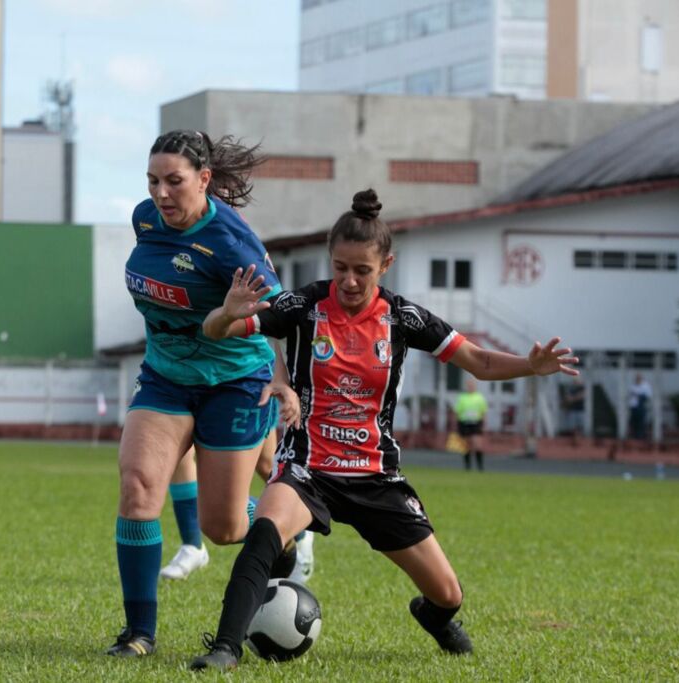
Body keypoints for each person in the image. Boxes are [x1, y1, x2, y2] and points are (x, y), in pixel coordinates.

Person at [189, 189, 580, 671]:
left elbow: (477, 360)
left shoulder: (403, 317)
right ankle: (225, 648)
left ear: (386, 264)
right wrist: (228, 312)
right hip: (309, 467)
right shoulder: (302, 306)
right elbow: (214, 331)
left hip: (376, 476)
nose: (349, 280)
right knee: (265, 531)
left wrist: (530, 365)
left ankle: (433, 618)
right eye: (340, 268)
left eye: (362, 270)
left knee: (448, 594)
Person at [107, 130, 299, 658]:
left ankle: (276, 529)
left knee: (224, 526)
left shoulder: (232, 245)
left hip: (233, 383)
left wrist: (282, 378)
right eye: (153, 181)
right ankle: (139, 633)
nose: (161, 194)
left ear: (204, 179)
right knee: (139, 487)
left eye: (174, 182)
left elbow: (284, 316)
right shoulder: (145, 218)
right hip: (166, 376)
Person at [160, 400, 316, 584]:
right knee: (177, 450)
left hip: (242, 380)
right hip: (185, 378)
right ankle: (192, 545)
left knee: (267, 466)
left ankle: (299, 531)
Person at [454, 379, 487, 470]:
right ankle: (467, 467)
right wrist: (456, 424)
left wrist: (484, 425)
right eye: (469, 385)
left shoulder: (479, 397)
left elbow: (483, 412)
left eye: (472, 385)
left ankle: (480, 467)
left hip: (476, 423)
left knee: (477, 445)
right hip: (464, 423)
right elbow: (457, 412)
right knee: (466, 445)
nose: (470, 387)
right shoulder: (462, 397)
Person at [628, 373, 651, 441]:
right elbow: (630, 394)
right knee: (633, 421)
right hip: (633, 406)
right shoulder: (633, 385)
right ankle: (634, 435)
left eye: (638, 378)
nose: (637, 379)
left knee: (641, 421)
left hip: (641, 405)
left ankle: (641, 436)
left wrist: (638, 396)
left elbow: (647, 396)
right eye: (636, 378)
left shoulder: (645, 385)